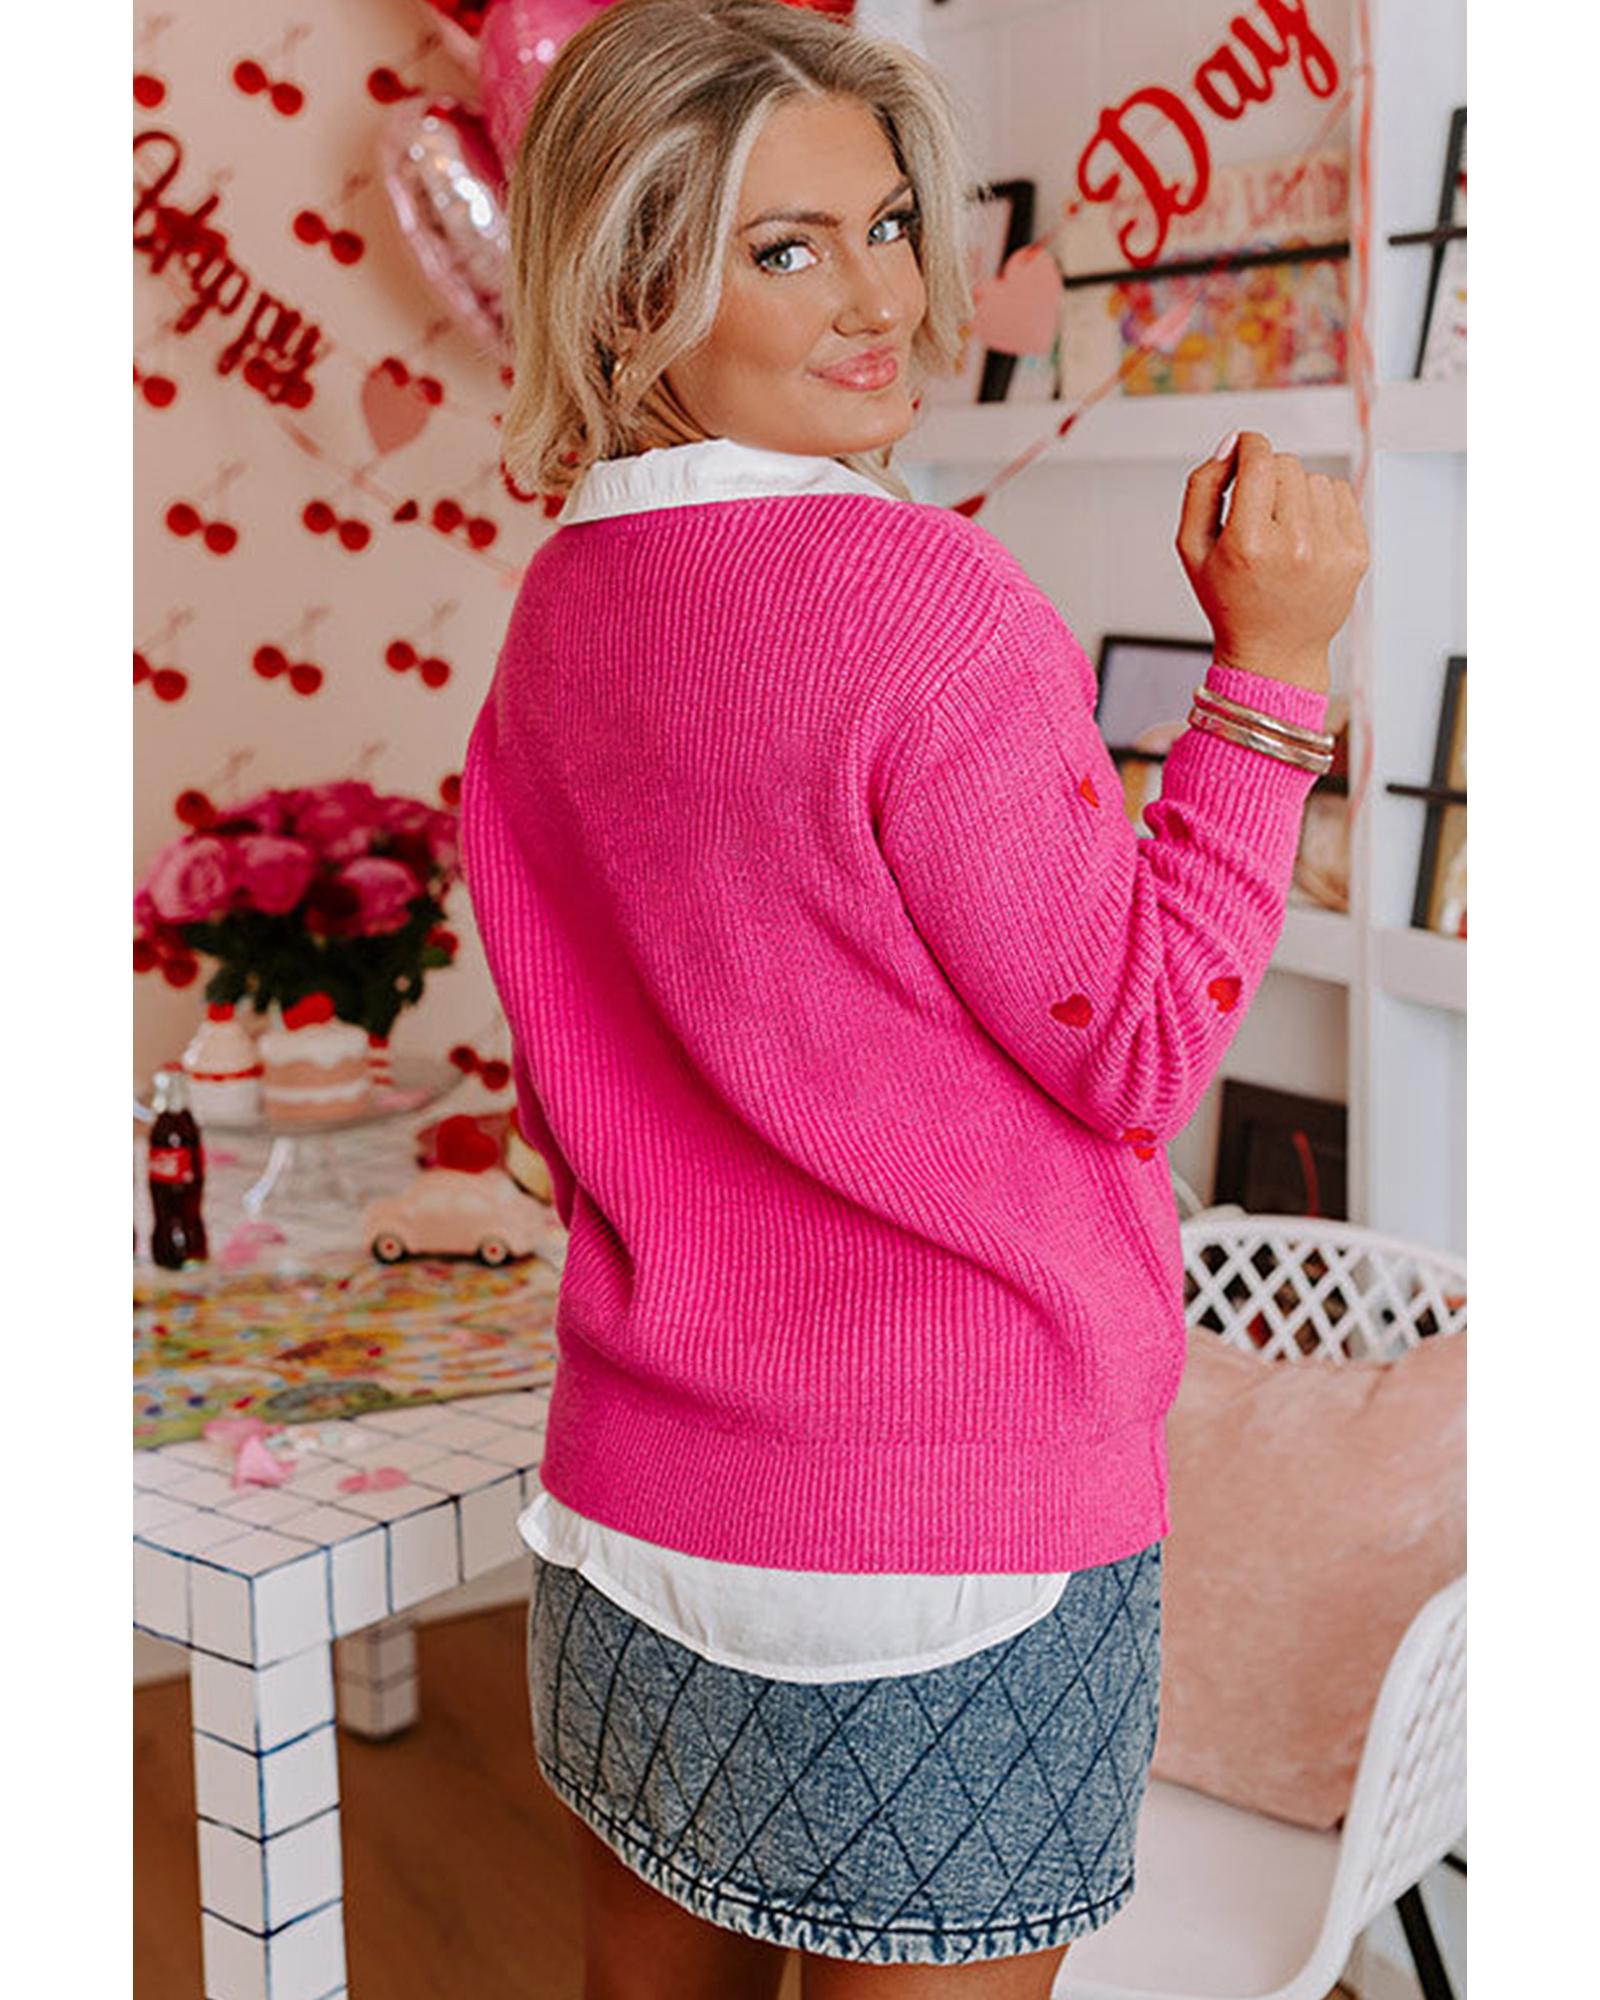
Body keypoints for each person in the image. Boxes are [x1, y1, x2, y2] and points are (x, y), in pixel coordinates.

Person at [458, 3, 1370, 1995]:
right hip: (947, 1535)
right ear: (631, 289)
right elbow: (1138, 1048)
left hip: (633, 1513)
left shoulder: (559, 609)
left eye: (884, 224)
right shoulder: (921, 604)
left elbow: (576, 1079)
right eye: (786, 248)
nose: (881, 298)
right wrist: (1269, 674)